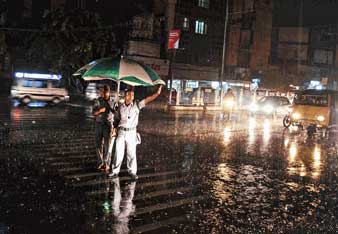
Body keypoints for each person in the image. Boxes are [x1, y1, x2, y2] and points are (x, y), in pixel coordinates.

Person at [109, 85, 162, 179]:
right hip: (121, 131)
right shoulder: (120, 107)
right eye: (129, 95)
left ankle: (132, 172)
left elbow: (147, 99)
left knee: (131, 153)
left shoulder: (137, 105)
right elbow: (116, 120)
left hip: (131, 132)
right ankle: (115, 171)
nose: (132, 97)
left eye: (133, 95)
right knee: (118, 152)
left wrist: (157, 94)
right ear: (125, 96)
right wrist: (114, 128)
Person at [92, 84, 116, 172]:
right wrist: (99, 111)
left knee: (107, 146)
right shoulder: (98, 101)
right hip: (98, 124)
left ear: (108, 92)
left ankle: (107, 163)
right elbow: (93, 113)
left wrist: (113, 109)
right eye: (101, 91)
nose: (101, 93)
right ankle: (100, 162)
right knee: (98, 145)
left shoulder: (113, 102)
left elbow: (117, 115)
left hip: (108, 125)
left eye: (103, 92)